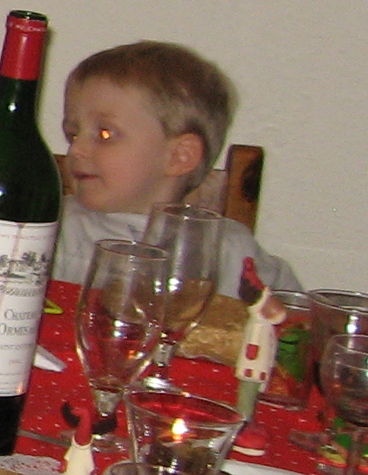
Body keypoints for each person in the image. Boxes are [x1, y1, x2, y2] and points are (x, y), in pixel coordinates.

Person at [54, 38, 294, 294]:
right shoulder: (52, 229)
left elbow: (291, 314)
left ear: (180, 156)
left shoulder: (226, 250)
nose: (76, 150)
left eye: (105, 134)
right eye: (73, 134)